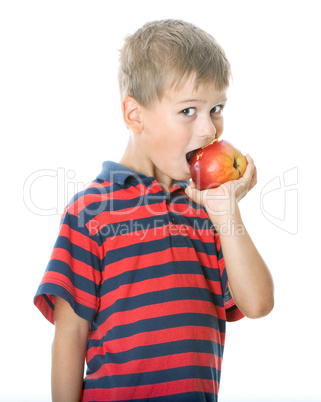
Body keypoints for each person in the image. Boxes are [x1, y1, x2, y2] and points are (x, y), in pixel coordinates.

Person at [34, 19, 274, 402]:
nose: (209, 130)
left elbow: (258, 304)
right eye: (188, 111)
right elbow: (70, 334)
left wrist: (227, 213)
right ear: (135, 115)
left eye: (216, 108)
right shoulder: (90, 211)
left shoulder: (208, 210)